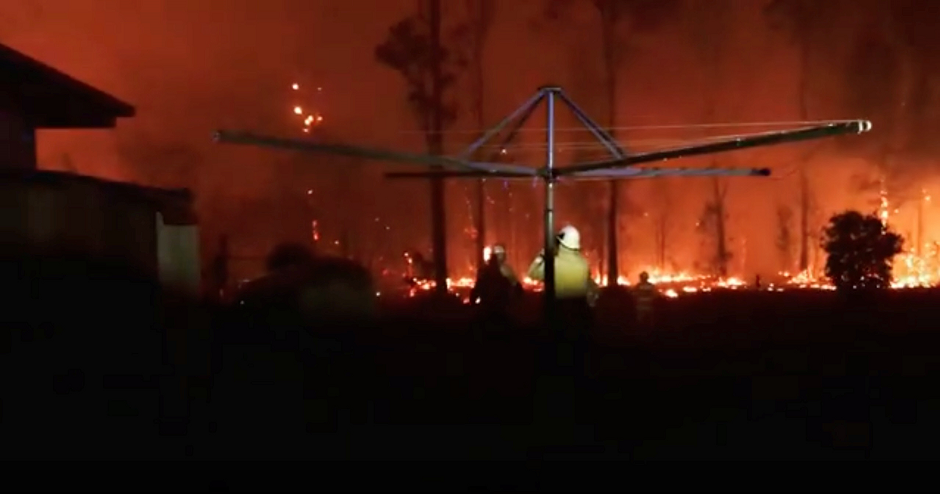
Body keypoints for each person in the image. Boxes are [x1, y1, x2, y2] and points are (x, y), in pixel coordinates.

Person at [527, 225, 599, 335]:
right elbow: (589, 284)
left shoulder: (553, 263)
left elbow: (532, 273)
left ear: (560, 243)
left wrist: (542, 255)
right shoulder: (584, 264)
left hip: (556, 316)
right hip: (579, 318)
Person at [470, 244, 521, 322]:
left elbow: (474, 295)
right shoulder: (503, 279)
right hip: (497, 312)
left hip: (492, 312)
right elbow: (517, 291)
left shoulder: (487, 278)